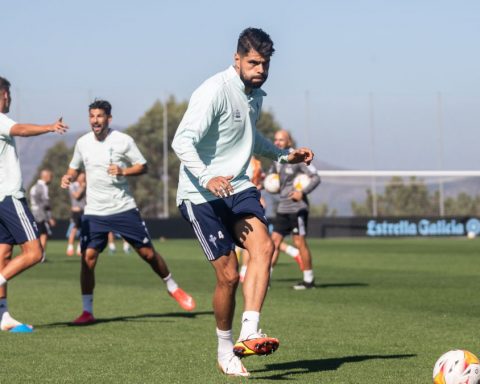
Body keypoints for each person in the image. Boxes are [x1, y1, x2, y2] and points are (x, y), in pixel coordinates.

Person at [171, 28, 314, 377]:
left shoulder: (255, 95)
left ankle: (250, 330)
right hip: (200, 195)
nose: (260, 69)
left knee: (263, 247)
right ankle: (224, 349)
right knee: (229, 277)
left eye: (264, 64)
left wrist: (283, 155)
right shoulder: (214, 91)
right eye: (253, 62)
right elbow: (181, 141)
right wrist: (207, 177)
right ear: (237, 59)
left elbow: (250, 137)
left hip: (237, 188)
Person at [61, 99, 195, 325]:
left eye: (100, 116)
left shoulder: (123, 141)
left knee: (148, 254)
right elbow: (74, 168)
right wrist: (69, 177)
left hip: (123, 208)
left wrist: (123, 171)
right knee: (88, 258)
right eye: (92, 116)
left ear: (108, 119)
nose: (95, 120)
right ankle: (87, 311)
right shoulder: (82, 143)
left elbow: (143, 166)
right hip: (94, 212)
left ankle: (172, 287)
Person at [0, 76, 67, 332]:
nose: (10, 99)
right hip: (9, 197)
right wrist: (50, 127)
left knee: (4, 255)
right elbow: (22, 130)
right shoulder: (1, 120)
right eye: (8, 94)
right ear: (3, 94)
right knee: (35, 253)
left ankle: (3, 317)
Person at [269, 130, 321, 289]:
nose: (277, 142)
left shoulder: (297, 157)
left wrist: (302, 192)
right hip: (283, 207)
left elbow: (316, 177)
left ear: (289, 142)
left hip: (297, 208)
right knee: (273, 243)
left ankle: (309, 280)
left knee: (299, 242)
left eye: (281, 140)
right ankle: (265, 279)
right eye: (276, 139)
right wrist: (264, 185)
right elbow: (271, 180)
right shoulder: (276, 159)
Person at [238, 157, 302, 282]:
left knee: (250, 239)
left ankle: (245, 273)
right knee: (257, 240)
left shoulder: (251, 163)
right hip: (247, 203)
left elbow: (257, 183)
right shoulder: (251, 162)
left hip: (248, 204)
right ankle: (293, 252)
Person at [30, 169, 55, 262]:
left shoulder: (33, 187)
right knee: (44, 235)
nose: (51, 179)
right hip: (40, 214)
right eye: (51, 176)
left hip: (33, 212)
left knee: (37, 235)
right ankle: (41, 256)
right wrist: (49, 217)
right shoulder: (43, 187)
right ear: (46, 176)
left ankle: (36, 254)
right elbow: (45, 203)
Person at [66, 171, 86, 256]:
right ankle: (70, 247)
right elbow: (76, 196)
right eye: (82, 177)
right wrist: (82, 188)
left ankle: (79, 247)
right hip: (76, 210)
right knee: (74, 229)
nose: (83, 179)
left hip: (85, 210)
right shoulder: (73, 185)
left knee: (83, 230)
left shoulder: (87, 186)